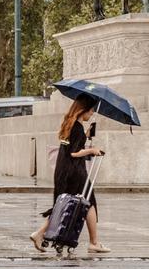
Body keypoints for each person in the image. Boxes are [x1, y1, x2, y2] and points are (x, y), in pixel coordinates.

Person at [29, 93, 109, 254]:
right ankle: (94, 242)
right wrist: (92, 150)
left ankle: (39, 234)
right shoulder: (77, 128)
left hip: (63, 171)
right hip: (74, 172)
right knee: (89, 202)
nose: (92, 113)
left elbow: (71, 144)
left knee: (62, 205)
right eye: (91, 110)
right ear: (83, 110)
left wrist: (85, 136)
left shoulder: (70, 124)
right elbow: (74, 152)